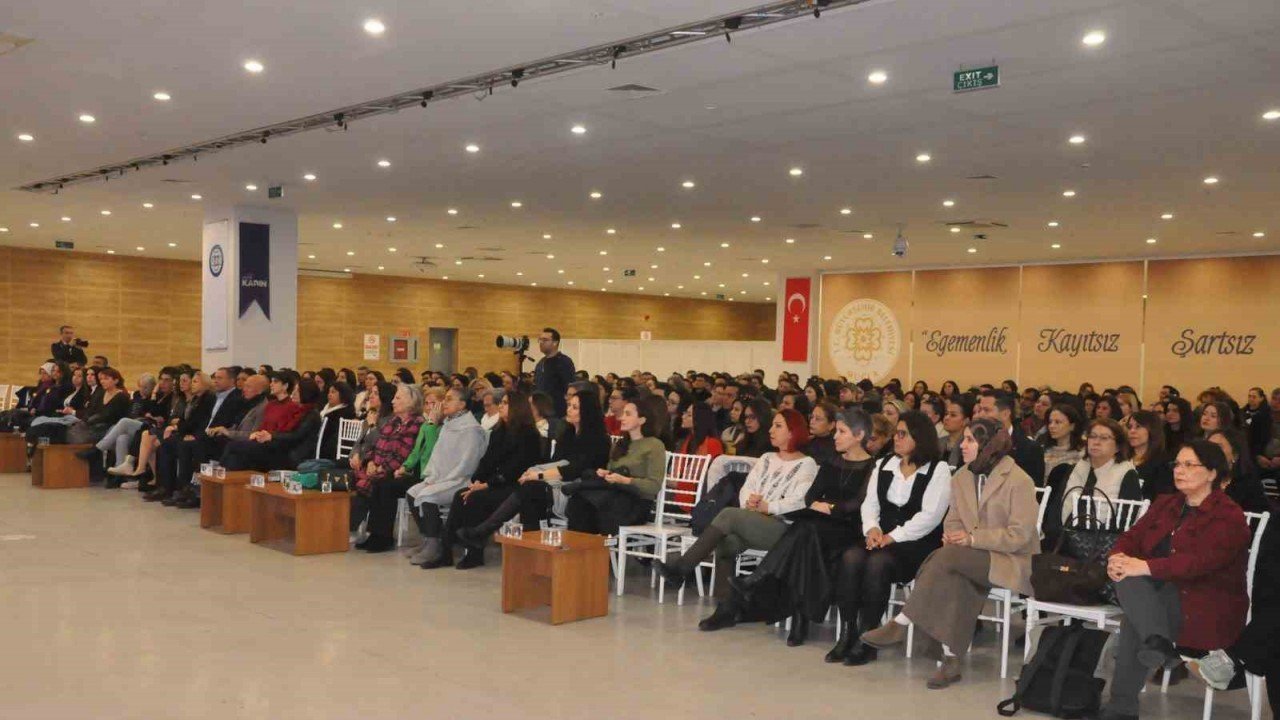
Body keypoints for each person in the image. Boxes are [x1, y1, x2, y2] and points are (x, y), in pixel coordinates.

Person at [861, 418, 1039, 689]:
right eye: (964, 439)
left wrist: (971, 538)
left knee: (945, 559)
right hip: (969, 557)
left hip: (1010, 560)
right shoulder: (963, 476)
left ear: (989, 445)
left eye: (970, 440)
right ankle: (950, 660)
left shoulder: (1018, 480)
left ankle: (903, 621)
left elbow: (1020, 535)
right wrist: (954, 536)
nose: (962, 445)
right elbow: (953, 519)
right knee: (953, 572)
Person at [1097, 440, 1251, 720]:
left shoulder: (1229, 516)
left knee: (1134, 608)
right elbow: (1130, 537)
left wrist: (1142, 567)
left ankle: (1123, 705)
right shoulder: (1167, 503)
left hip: (1204, 603)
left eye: (1189, 465)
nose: (1179, 470)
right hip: (1157, 597)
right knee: (1131, 584)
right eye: (1177, 464)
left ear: (1212, 473)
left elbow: (1198, 565)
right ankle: (1158, 643)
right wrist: (1117, 558)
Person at [719, 409, 877, 653]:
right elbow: (811, 496)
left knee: (804, 531)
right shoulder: (832, 462)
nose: (835, 437)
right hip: (819, 525)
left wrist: (830, 507)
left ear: (859, 435)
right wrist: (821, 507)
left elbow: (859, 504)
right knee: (806, 533)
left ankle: (759, 582)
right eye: (836, 431)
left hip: (848, 529)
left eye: (842, 432)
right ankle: (795, 616)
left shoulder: (872, 467)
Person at [657, 409, 819, 629]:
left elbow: (800, 500)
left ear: (793, 432)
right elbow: (747, 487)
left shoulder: (806, 464)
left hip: (783, 529)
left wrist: (768, 506)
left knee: (728, 515)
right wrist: (749, 502)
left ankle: (681, 569)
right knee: (726, 542)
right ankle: (726, 609)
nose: (771, 430)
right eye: (772, 425)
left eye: (778, 426)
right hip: (752, 519)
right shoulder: (766, 458)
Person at [816, 410, 951, 663]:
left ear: (919, 438)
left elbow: (930, 516)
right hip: (880, 537)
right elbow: (871, 504)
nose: (896, 439)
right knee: (851, 557)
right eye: (896, 434)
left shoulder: (938, 469)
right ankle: (848, 632)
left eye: (902, 434)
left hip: (915, 543)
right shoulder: (884, 463)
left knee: (878, 563)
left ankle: (869, 637)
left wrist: (892, 537)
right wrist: (872, 529)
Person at [457, 389, 612, 542]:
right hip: (556, 484)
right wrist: (533, 472)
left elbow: (574, 469)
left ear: (587, 411)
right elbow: (556, 462)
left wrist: (538, 475)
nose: (568, 410)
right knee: (529, 489)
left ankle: (485, 531)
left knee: (530, 488)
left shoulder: (598, 439)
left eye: (575, 407)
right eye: (569, 405)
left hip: (578, 489)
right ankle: (520, 544)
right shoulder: (567, 433)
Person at [429, 390, 542, 569]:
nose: (501, 406)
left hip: (514, 486)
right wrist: (476, 481)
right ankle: (446, 551)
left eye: (505, 403)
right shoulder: (499, 431)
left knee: (475, 499)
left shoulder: (529, 435)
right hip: (493, 482)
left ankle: (474, 553)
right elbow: (486, 461)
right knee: (462, 495)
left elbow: (515, 468)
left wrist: (487, 485)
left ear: (518, 408)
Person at [404, 387, 489, 567]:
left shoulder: (471, 429)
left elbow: (468, 463)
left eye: (449, 399)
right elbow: (437, 455)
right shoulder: (449, 423)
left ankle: (436, 546)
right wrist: (432, 476)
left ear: (462, 404)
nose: (444, 403)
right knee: (412, 493)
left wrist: (442, 481)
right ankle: (429, 539)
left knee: (428, 496)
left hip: (460, 480)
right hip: (441, 477)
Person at [561, 397, 669, 537]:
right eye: (623, 413)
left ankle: (601, 552)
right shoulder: (621, 444)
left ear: (642, 420)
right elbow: (612, 473)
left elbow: (654, 485)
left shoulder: (654, 445)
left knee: (604, 507)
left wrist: (625, 480)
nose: (622, 418)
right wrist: (606, 473)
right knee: (580, 502)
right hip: (614, 494)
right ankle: (584, 551)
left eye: (628, 414)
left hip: (637, 502)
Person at [1044, 417, 1143, 546]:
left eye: (1104, 438)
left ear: (1118, 446)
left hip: (1102, 546)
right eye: (1092, 436)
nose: (1096, 442)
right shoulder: (1076, 469)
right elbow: (1056, 509)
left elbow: (1124, 521)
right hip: (1064, 541)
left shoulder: (1127, 474)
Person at [351, 383, 426, 552]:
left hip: (405, 472)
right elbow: (376, 445)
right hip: (383, 468)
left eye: (398, 398)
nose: (392, 401)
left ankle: (383, 537)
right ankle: (374, 534)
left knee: (383, 484)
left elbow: (404, 454)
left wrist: (381, 468)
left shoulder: (417, 423)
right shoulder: (393, 420)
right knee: (369, 480)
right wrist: (370, 462)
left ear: (411, 402)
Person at [975, 390, 1045, 484]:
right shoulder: (973, 443)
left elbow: (1033, 491)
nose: (980, 415)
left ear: (1005, 414)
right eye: (979, 410)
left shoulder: (1029, 449)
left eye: (986, 410)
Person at [1128, 410, 1174, 499]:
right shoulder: (1121, 458)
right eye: (1129, 427)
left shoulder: (1162, 463)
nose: (1132, 431)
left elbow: (1162, 498)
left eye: (1138, 426)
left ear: (1152, 430)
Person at [533, 327, 575, 417]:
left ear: (555, 343)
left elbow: (569, 388)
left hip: (558, 413)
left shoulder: (564, 362)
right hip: (541, 412)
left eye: (545, 340)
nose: (541, 342)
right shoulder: (540, 363)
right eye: (540, 340)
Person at [1042, 402, 1086, 483]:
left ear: (1072, 426)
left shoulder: (1082, 454)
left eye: (1057, 422)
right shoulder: (1043, 450)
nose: (1051, 426)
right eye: (1050, 422)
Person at [940, 396, 972, 469]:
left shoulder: (969, 446)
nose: (946, 418)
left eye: (953, 415)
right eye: (946, 414)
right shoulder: (938, 442)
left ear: (965, 421)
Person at [805, 401, 838, 465]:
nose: (812, 421)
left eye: (818, 419)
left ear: (831, 425)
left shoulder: (835, 449)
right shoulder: (807, 441)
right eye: (811, 417)